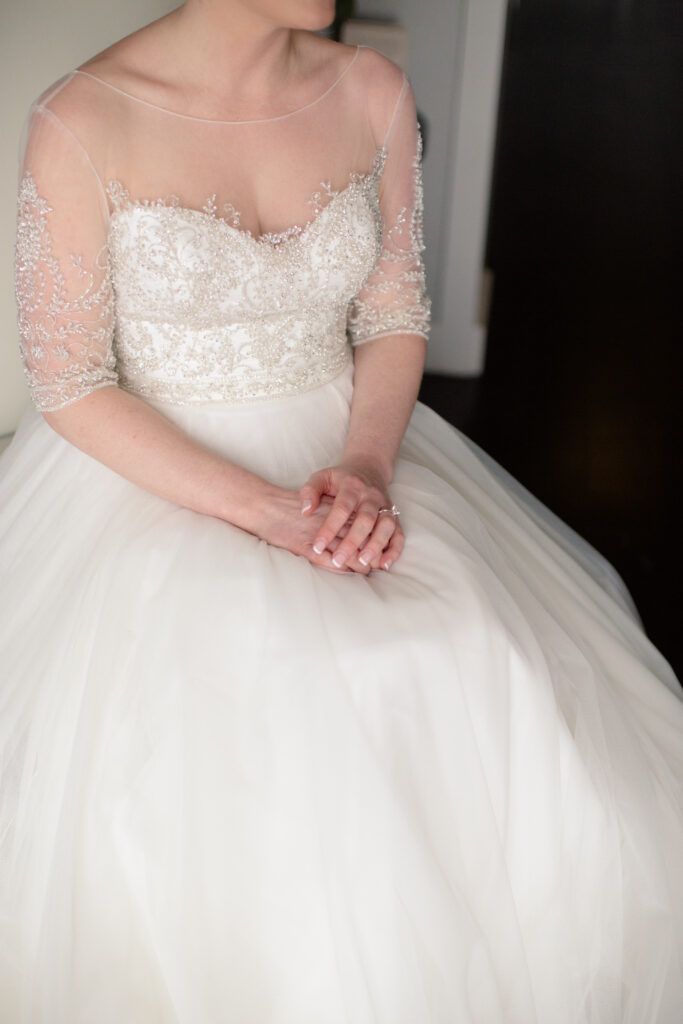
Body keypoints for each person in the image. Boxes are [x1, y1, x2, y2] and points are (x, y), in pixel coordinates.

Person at [1, 2, 681, 1021]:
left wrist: (363, 464)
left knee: (477, 660)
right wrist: (269, 514)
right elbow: (73, 387)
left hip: (347, 444)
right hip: (156, 477)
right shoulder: (82, 120)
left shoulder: (367, 87)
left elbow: (394, 315)